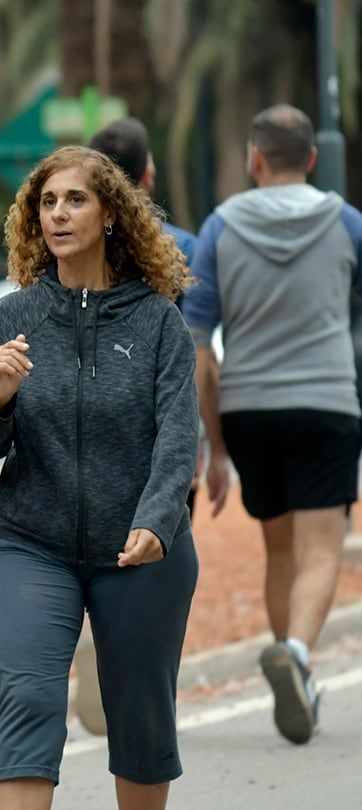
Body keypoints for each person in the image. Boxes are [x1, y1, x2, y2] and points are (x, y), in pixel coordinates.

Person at [0, 146, 197, 810]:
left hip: (141, 551)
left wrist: (157, 520)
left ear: (111, 214)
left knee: (141, 716)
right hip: (30, 544)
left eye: (75, 200)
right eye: (47, 202)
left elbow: (179, 437)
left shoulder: (158, 321)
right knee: (30, 699)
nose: (59, 214)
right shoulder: (12, 318)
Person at [181, 103, 362, 745]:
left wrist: (216, 444)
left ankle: (295, 670)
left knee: (279, 549)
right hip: (326, 403)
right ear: (311, 158)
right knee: (322, 549)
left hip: (249, 408)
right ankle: (299, 656)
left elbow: (201, 351)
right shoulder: (347, 222)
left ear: (254, 158)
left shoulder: (220, 227)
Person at [77, 116, 201, 736]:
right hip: (158, 432)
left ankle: (91, 641)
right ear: (147, 175)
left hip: (86, 431)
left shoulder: (66, 245)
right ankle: (133, 663)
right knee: (155, 556)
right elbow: (195, 348)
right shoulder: (182, 248)